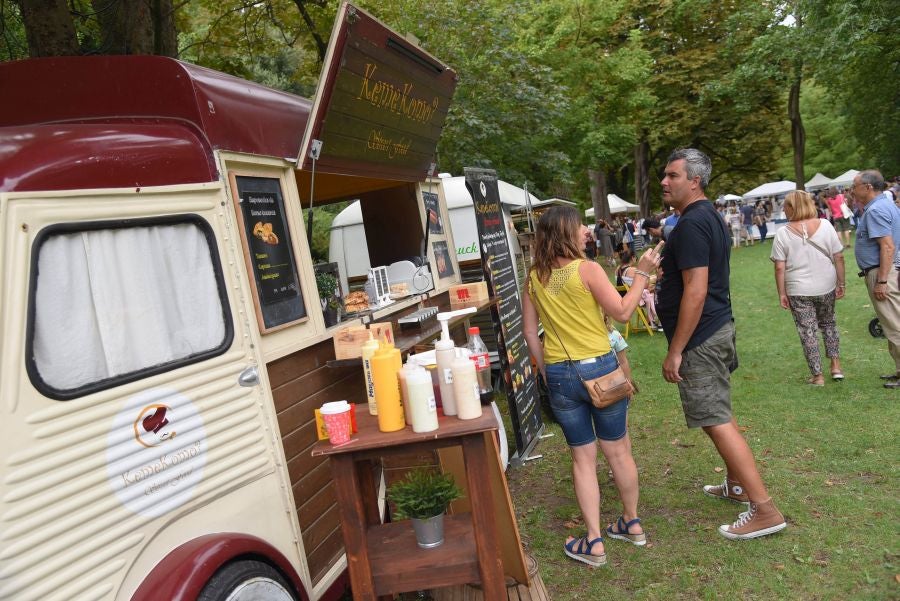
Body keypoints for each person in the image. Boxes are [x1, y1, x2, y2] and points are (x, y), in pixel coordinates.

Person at [522, 206, 663, 566]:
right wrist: (641, 277)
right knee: (618, 452)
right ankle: (632, 524)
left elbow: (528, 334)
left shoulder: (533, 277)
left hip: (559, 373)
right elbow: (622, 312)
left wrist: (544, 369)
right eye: (580, 227)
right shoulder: (588, 269)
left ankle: (595, 542)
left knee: (582, 459)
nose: (586, 231)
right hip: (602, 368)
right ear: (566, 233)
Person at [657, 148, 786, 540]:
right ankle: (735, 485)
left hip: (701, 336)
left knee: (714, 418)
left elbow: (696, 290)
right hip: (716, 328)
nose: (664, 181)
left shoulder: (693, 223)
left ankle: (763, 509)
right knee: (720, 411)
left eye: (673, 176)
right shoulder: (704, 215)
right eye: (664, 175)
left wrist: (677, 349)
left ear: (694, 181)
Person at [771, 191, 846, 385]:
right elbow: (839, 256)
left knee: (808, 331)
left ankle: (818, 375)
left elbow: (780, 267)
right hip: (826, 284)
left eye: (786, 206)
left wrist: (781, 293)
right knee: (829, 323)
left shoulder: (782, 233)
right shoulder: (826, 225)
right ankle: (836, 366)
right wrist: (841, 283)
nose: (784, 209)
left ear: (791, 208)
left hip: (798, 289)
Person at [850, 170, 900, 388]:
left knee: (894, 324)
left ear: (868, 187)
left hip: (882, 273)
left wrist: (881, 281)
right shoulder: (883, 205)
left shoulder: (876, 210)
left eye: (855, 186)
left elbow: (887, 246)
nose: (852, 190)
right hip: (886, 271)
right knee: (892, 322)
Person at [616, 249, 660, 329]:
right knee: (657, 292)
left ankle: (649, 321)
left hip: (623, 295)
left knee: (653, 289)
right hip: (634, 298)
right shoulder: (631, 270)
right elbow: (645, 284)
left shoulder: (618, 269)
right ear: (632, 258)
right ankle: (651, 322)